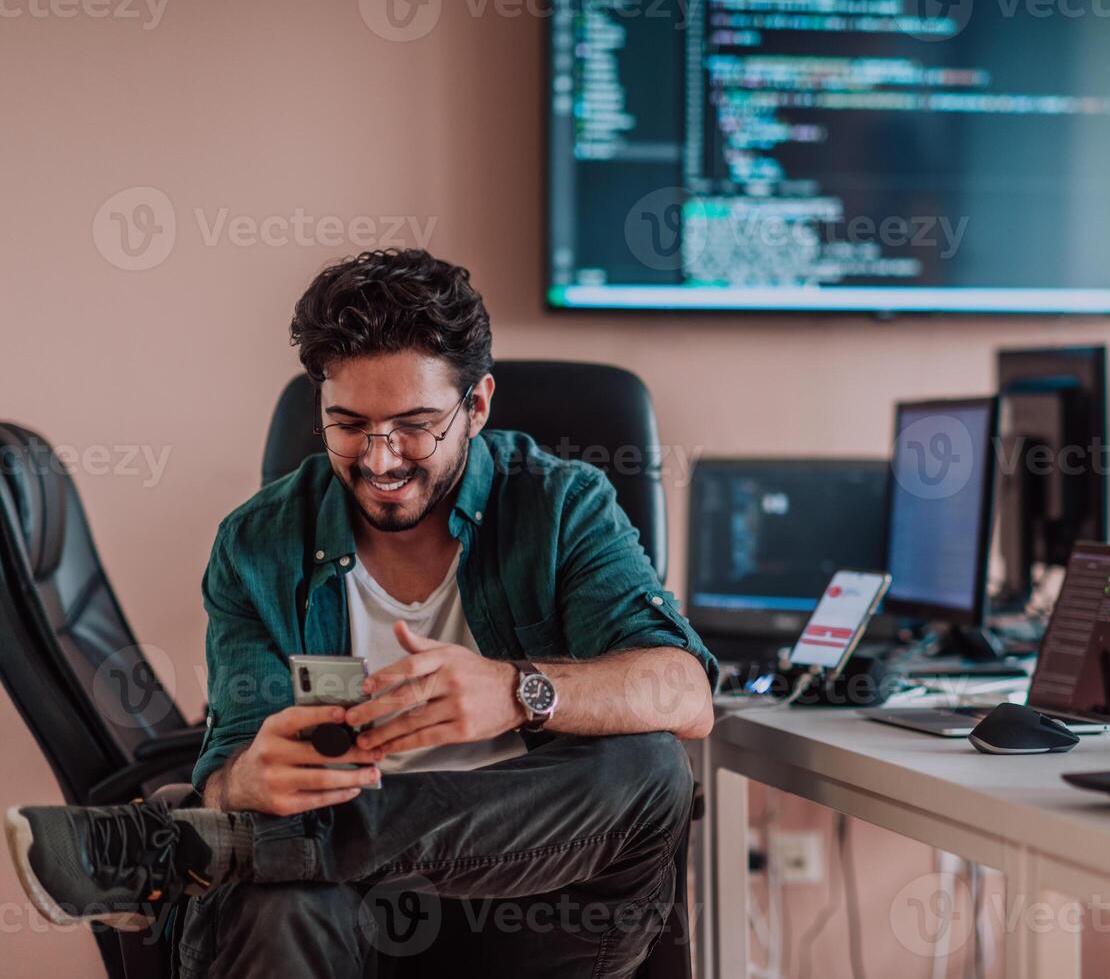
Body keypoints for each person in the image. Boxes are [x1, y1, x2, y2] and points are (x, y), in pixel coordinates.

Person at [6, 249, 717, 978]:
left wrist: (515, 692)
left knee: (652, 767)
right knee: (272, 900)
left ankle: (228, 845)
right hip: (339, 914)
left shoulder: (561, 504)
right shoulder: (259, 543)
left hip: (539, 913)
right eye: (349, 425)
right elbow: (224, 773)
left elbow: (687, 693)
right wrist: (249, 780)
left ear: (476, 406)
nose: (380, 461)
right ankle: (276, 847)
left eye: (414, 426)